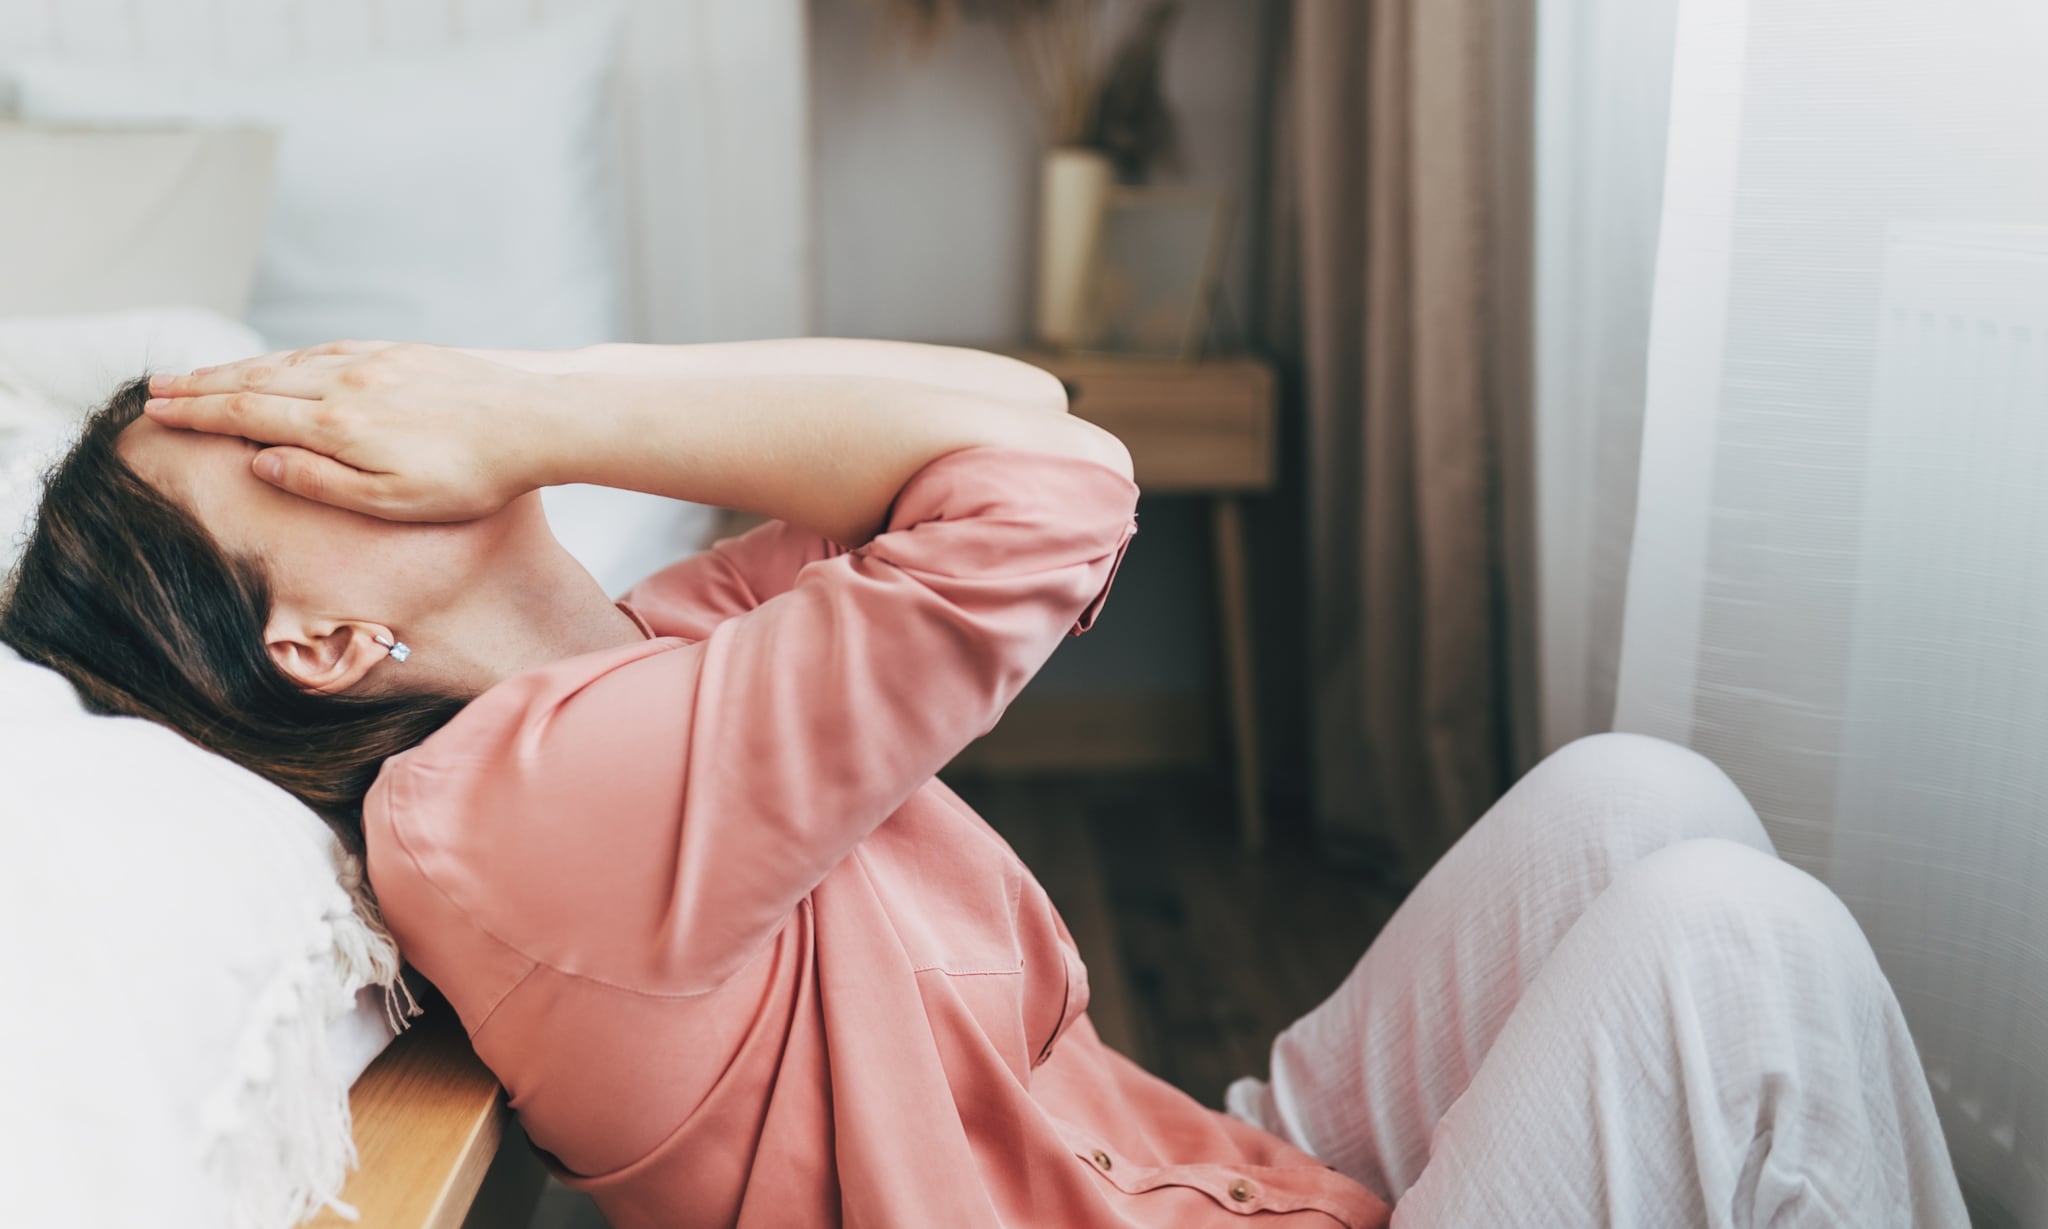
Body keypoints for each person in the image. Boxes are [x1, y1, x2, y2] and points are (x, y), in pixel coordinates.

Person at [1, 340, 1968, 1228]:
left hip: (1193, 1173)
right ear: (320, 649)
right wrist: (529, 408)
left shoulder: (668, 642)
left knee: (1633, 805)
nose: (345, 404)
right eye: (275, 447)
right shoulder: (507, 817)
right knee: (1733, 944)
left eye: (302, 382)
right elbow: (1055, 496)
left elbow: (1018, 420)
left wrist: (512, 395)